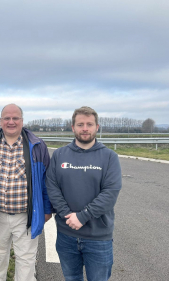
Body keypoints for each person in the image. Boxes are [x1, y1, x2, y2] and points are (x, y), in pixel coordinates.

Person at [0, 103, 52, 281]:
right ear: (1, 121)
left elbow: (46, 181)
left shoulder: (37, 146)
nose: (11, 122)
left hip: (26, 216)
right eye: (7, 118)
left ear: (22, 121)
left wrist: (47, 209)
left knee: (25, 260)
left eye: (15, 118)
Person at [46, 106, 122, 281]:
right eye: (80, 124)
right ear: (73, 127)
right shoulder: (59, 155)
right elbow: (52, 187)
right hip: (67, 235)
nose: (85, 128)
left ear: (97, 127)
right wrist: (67, 214)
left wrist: (83, 216)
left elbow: (110, 193)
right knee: (71, 278)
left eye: (89, 124)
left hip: (98, 238)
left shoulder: (110, 157)